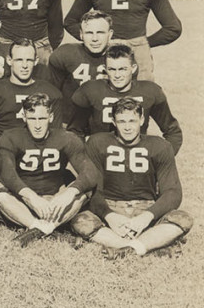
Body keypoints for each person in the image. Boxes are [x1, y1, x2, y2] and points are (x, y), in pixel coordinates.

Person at [71, 97, 193, 258]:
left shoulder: (160, 146)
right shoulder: (97, 142)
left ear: (142, 120)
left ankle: (123, 247)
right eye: (122, 121)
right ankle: (147, 248)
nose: (127, 127)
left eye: (132, 121)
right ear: (113, 122)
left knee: (183, 218)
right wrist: (110, 216)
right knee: (80, 221)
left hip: (146, 208)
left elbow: (172, 191)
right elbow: (94, 189)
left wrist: (146, 217)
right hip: (111, 207)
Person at [0, 94, 96, 247]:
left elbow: (90, 172)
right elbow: (6, 173)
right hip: (21, 201)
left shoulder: (66, 137)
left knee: (84, 192)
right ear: (24, 118)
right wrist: (31, 197)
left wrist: (69, 192)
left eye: (42, 118)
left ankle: (37, 231)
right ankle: (43, 228)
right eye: (32, 119)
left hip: (53, 201)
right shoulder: (11, 137)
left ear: (51, 117)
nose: (37, 125)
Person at [69, 44, 182, 153]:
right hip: (100, 159)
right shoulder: (90, 90)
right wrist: (85, 162)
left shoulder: (150, 92)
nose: (117, 75)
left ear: (133, 69)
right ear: (105, 69)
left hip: (136, 160)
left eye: (122, 69)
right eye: (112, 69)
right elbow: (74, 132)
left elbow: (172, 131)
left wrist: (162, 159)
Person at [0, 38, 62, 138]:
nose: (24, 66)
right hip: (4, 150)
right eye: (19, 60)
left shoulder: (51, 92)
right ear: (9, 60)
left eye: (29, 60)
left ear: (36, 61)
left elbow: (56, 137)